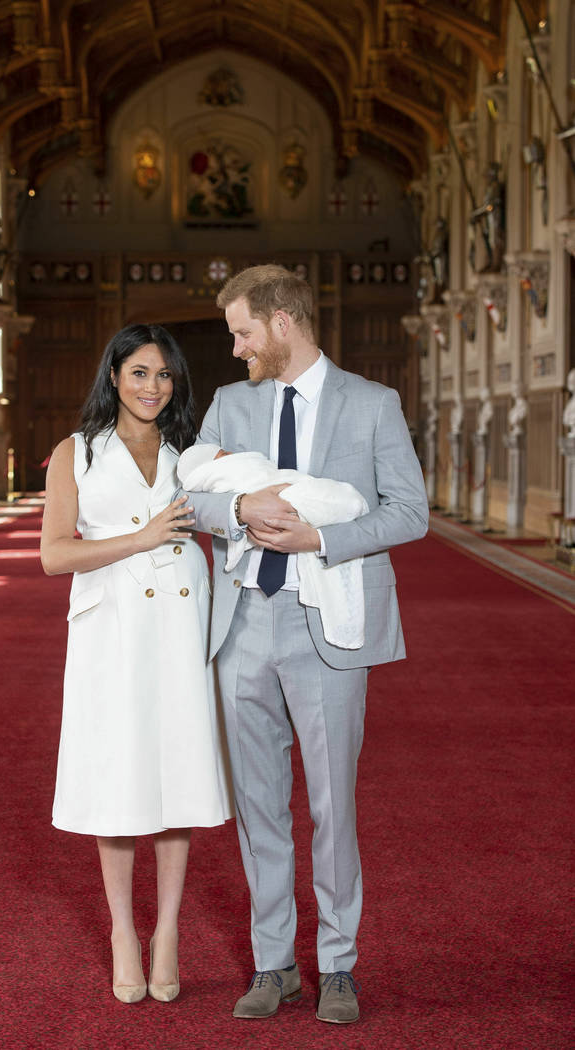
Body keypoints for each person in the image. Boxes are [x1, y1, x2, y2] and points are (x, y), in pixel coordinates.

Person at [183, 264, 428, 1025]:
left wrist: (320, 535)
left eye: (243, 332)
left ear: (282, 322)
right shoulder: (230, 404)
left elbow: (410, 513)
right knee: (259, 805)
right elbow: (192, 494)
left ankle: (339, 966)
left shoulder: (373, 404)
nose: (235, 349)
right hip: (245, 625)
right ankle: (274, 963)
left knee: (332, 806)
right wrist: (241, 505)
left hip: (329, 625)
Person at [40, 324, 232, 1005]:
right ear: (115, 376)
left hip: (181, 622)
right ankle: (125, 929)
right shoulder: (77, 453)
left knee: (176, 773)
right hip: (111, 628)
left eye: (165, 375)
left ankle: (169, 930)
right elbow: (55, 555)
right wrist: (142, 536)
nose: (154, 386)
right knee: (120, 779)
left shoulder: (193, 453)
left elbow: (232, 515)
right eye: (141, 372)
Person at [177, 443, 368, 648]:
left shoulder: (375, 410)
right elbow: (182, 501)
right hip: (242, 605)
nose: (231, 454)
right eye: (223, 454)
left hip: (312, 598)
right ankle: (345, 503)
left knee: (326, 497)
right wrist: (241, 508)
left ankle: (346, 502)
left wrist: (318, 540)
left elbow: (405, 509)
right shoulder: (222, 424)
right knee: (316, 499)